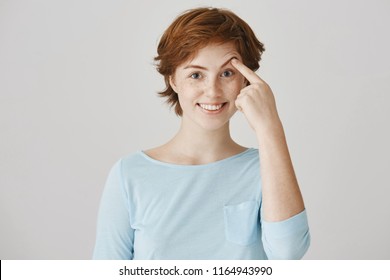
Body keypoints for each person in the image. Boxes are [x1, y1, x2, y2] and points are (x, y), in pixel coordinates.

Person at [93, 7, 310, 260]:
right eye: (196, 75)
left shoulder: (266, 168)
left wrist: (269, 126)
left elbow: (289, 253)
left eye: (227, 73)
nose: (213, 91)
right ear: (173, 80)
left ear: (246, 80)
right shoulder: (129, 174)